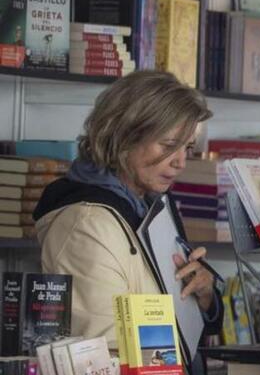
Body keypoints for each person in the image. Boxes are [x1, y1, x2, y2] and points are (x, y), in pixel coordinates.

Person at [33, 70, 221, 349]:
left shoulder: (151, 204)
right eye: (169, 145)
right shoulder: (86, 224)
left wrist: (205, 294)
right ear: (124, 138)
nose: (181, 162)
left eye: (188, 147)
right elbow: (104, 350)